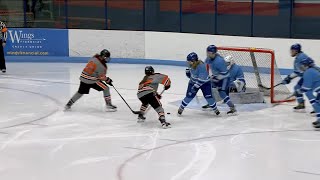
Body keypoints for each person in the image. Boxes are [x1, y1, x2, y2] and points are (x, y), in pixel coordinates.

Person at [205, 45, 237, 115]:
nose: (207, 54)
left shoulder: (219, 61)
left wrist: (214, 78)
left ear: (213, 53)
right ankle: (211, 103)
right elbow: (205, 66)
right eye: (207, 52)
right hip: (216, 77)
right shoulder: (209, 58)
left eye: (209, 53)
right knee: (210, 89)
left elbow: (225, 74)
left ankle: (232, 107)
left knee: (222, 93)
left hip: (224, 78)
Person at [282, 44, 313, 113]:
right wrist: (289, 78)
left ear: (296, 51)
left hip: (311, 76)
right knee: (297, 88)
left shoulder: (300, 58)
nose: (291, 52)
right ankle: (301, 103)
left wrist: (289, 78)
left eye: (292, 51)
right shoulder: (300, 57)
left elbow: (299, 72)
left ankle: (316, 107)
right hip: (308, 76)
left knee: (308, 92)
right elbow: (299, 71)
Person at [296, 57, 320, 128]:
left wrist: (299, 91)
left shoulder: (308, 72)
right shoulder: (313, 70)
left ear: (306, 65)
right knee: (317, 103)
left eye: (302, 65)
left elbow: (306, 87)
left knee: (317, 104)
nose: (301, 67)